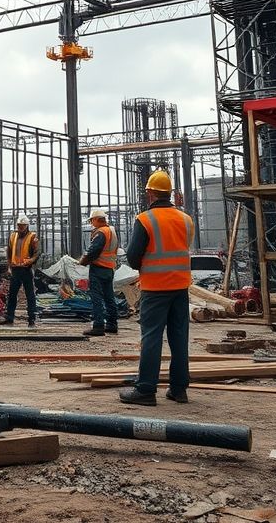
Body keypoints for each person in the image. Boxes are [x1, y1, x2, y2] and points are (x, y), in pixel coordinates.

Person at [119, 170, 194, 407]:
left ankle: (146, 390)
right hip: (180, 287)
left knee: (151, 338)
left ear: (150, 193)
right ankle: (179, 389)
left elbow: (132, 258)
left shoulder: (145, 219)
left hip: (155, 288)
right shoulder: (185, 219)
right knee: (179, 338)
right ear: (168, 193)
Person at [79, 207, 119, 337]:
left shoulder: (100, 233)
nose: (92, 223)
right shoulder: (111, 231)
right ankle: (112, 324)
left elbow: (93, 251)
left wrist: (83, 261)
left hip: (98, 268)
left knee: (96, 297)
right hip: (109, 268)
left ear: (97, 219)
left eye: (92, 220)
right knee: (109, 297)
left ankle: (98, 326)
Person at [2, 214, 39, 327]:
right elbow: (9, 252)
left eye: (22, 225)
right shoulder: (13, 236)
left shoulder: (32, 237)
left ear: (27, 226)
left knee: (30, 295)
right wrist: (9, 266)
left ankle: (31, 318)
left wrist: (30, 261)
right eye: (19, 225)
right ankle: (9, 317)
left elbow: (37, 253)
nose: (20, 227)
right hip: (15, 270)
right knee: (12, 294)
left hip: (26, 269)